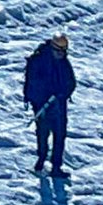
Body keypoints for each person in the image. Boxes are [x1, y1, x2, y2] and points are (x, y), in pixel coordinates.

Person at [24, 33, 75, 176]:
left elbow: (71, 81)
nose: (62, 54)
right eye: (59, 51)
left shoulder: (64, 61)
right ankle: (40, 160)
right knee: (42, 132)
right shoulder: (38, 61)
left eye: (64, 51)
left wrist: (62, 94)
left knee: (60, 134)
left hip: (59, 104)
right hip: (42, 105)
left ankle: (56, 166)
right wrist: (45, 97)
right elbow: (34, 83)